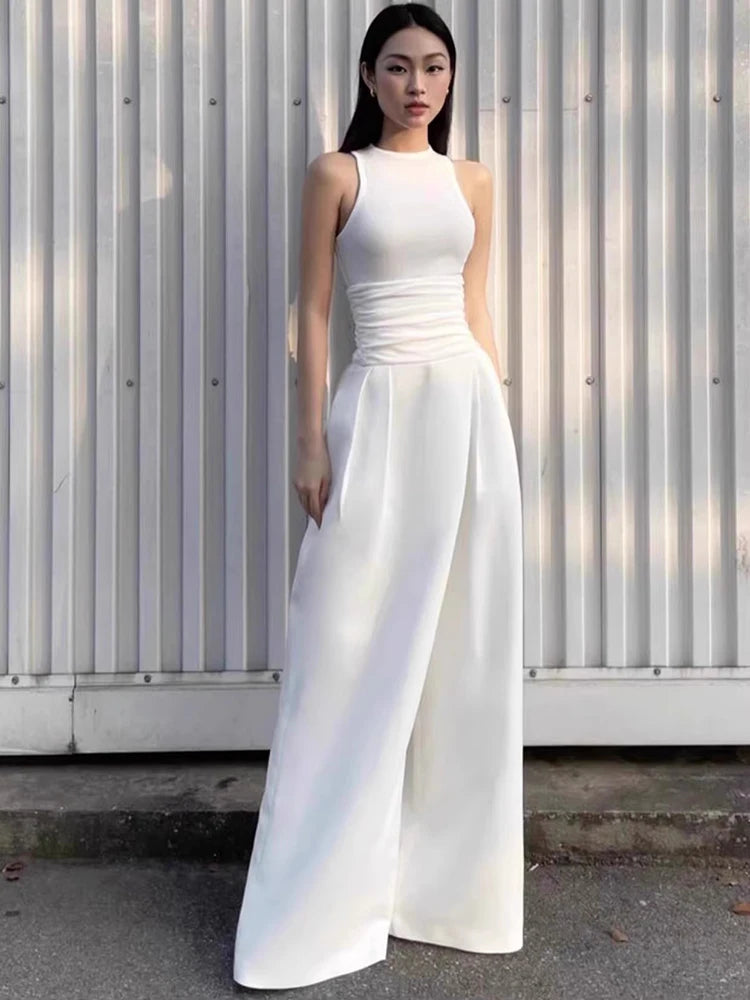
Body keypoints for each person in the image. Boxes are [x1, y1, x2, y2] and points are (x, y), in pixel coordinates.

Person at [233, 2, 524, 990]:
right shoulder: (338, 174)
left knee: (463, 651)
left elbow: (474, 303)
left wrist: (497, 427)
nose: (417, 84)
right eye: (397, 66)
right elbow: (314, 311)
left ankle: (444, 894)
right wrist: (310, 440)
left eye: (434, 66)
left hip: (465, 413)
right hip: (379, 413)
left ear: (451, 77)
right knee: (344, 645)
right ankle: (316, 904)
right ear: (368, 76)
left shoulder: (472, 180)